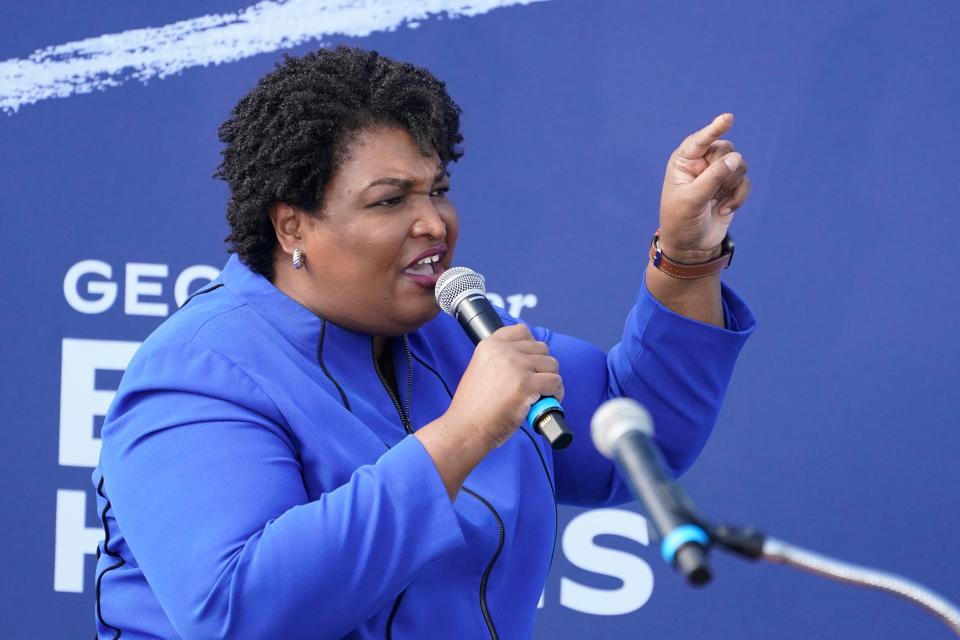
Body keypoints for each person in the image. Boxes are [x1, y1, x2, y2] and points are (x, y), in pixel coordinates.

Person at [93, 46, 755, 639]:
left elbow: (636, 441)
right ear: (292, 226)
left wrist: (688, 257)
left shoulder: (459, 335)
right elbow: (238, 613)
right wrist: (461, 435)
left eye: (438, 190)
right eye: (391, 200)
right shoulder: (198, 371)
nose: (434, 222)